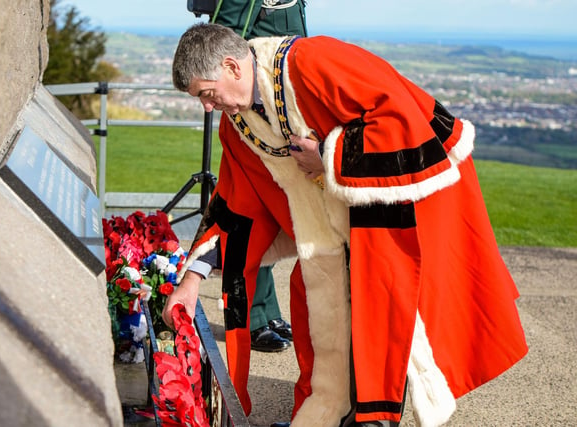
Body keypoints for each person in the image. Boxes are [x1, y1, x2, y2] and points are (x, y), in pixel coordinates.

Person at [164, 23, 528, 427]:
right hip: (332, 234)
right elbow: (236, 205)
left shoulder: (312, 61)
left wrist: (328, 158)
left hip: (401, 206)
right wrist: (191, 280)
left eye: (207, 93)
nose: (208, 107)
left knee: (387, 308)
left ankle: (372, 416)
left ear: (232, 67)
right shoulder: (239, 125)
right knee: (312, 298)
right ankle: (330, 412)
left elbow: (399, 117)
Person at [209, 0, 307, 354]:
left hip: (282, 113)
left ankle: (267, 312)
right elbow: (220, 38)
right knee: (251, 212)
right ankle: (249, 316)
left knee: (275, 210)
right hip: (252, 113)